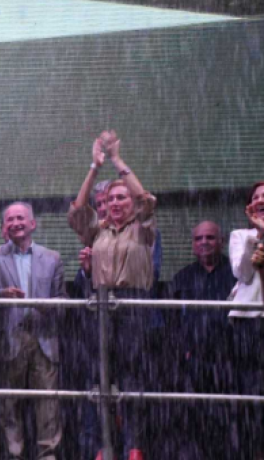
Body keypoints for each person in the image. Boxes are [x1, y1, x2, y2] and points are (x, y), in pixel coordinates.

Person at [68, 130, 157, 460]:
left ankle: (135, 446)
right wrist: (94, 167)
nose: (117, 203)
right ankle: (101, 447)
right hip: (101, 306)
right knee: (100, 378)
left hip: (134, 305)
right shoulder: (99, 230)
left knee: (133, 378)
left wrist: (118, 161)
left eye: (123, 198)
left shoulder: (143, 227)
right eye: (112, 199)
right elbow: (78, 211)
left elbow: (147, 200)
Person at [0, 202, 65, 460]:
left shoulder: (52, 258)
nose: (15, 223)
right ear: (4, 226)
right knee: (8, 407)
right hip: (7, 340)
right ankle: (12, 456)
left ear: (32, 224)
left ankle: (48, 456)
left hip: (44, 340)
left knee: (48, 406)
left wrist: (45, 305)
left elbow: (63, 301)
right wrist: (1, 295)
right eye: (10, 219)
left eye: (20, 218)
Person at [161, 221, 236, 458]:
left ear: (221, 242)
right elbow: (170, 322)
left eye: (210, 238)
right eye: (198, 239)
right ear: (192, 245)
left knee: (231, 421)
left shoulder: (236, 274)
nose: (204, 242)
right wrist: (180, 351)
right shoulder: (182, 278)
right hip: (192, 363)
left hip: (231, 362)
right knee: (192, 423)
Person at [227, 181, 264, 460]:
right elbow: (243, 274)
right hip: (248, 320)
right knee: (249, 389)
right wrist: (257, 234)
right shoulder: (241, 235)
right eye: (256, 197)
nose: (261, 199)